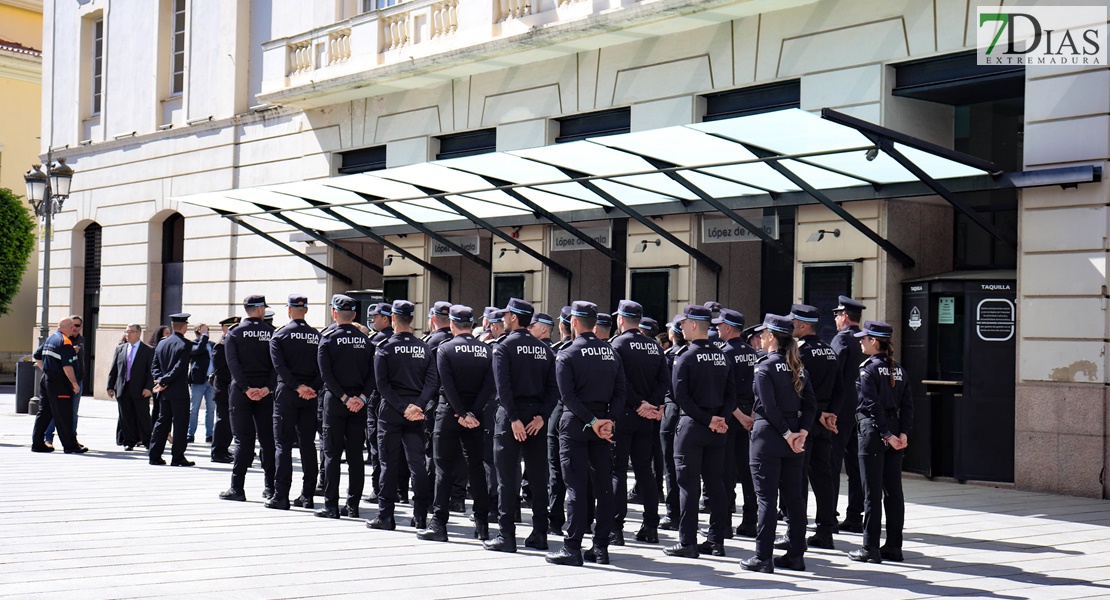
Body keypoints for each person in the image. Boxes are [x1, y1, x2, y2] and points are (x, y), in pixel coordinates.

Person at [546, 301, 625, 566]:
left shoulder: (567, 354)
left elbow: (567, 396)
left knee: (576, 488)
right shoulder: (611, 352)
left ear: (574, 323)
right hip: (603, 425)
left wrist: (592, 421)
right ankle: (601, 547)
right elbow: (620, 391)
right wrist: (607, 420)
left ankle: (572, 547)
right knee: (603, 487)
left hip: (577, 424)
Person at [741, 314, 816, 574]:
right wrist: (801, 433)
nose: (760, 337)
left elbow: (769, 407)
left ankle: (763, 557)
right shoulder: (798, 366)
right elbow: (810, 406)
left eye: (763, 333)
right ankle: (796, 554)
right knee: (794, 499)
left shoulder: (764, 366)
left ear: (771, 336)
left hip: (770, 437)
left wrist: (788, 434)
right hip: (794, 437)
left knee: (766, 499)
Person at [484, 298, 558, 553]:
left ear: (514, 317)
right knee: (538, 479)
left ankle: (507, 536)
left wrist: (514, 418)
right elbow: (553, 389)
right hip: (537, 418)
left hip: (511, 417)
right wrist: (542, 416)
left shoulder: (503, 347)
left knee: (506, 478)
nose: (503, 318)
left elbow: (503, 387)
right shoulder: (544, 349)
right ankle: (540, 534)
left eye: (506, 315)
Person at [663, 305, 735, 559]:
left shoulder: (684, 356)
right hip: (717, 428)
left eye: (683, 323)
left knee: (688, 486)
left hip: (693, 426)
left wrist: (707, 419)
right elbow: (731, 394)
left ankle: (687, 542)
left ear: (694, 325)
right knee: (716, 484)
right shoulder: (722, 355)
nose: (680, 327)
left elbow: (680, 396)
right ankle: (716, 540)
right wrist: (720, 419)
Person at [417, 304, 493, 542]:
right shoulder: (486, 350)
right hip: (475, 416)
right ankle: (482, 524)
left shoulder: (445, 349)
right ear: (471, 325)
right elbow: (489, 387)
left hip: (449, 414)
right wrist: (472, 412)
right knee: (476, 468)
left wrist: (460, 412)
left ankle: (439, 523)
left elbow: (447, 385)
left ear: (451, 324)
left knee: (443, 468)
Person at [367, 299, 436, 530]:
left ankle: (386, 516)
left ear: (393, 318)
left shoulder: (384, 347)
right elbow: (431, 382)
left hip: (392, 410)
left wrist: (402, 407)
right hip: (416, 412)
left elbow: (382, 384)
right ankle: (420, 516)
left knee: (388, 463)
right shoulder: (423, 347)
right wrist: (418, 405)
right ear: (412, 319)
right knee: (417, 464)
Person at [848, 320, 913, 564]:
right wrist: (902, 433)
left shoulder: (868, 369)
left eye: (864, 339)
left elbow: (872, 405)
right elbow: (908, 405)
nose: (861, 342)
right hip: (894, 429)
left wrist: (886, 435)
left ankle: (870, 548)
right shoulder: (898, 369)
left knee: (872, 493)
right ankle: (894, 547)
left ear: (874, 341)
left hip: (874, 432)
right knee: (894, 492)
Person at [609, 300, 667, 546]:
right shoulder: (655, 346)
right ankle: (651, 526)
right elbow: (664, 381)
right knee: (645, 471)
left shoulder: (617, 344)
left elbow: (617, 380)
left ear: (621, 320)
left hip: (624, 415)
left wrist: (637, 404)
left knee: (618, 472)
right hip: (646, 419)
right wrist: (650, 405)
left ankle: (616, 528)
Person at [786, 304, 844, 551]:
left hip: (807, 421)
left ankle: (794, 532)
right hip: (825, 421)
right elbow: (841, 388)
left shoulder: (801, 352)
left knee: (798, 478)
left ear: (802, 325)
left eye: (793, 323)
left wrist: (819, 414)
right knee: (824, 478)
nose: (790, 328)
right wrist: (831, 414)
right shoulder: (829, 350)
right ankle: (825, 530)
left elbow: (799, 389)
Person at [315, 295, 375, 519]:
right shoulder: (365, 341)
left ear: (334, 313)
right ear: (355, 316)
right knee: (355, 457)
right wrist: (361, 398)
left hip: (336, 402)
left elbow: (326, 375)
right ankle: (353, 506)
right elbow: (373, 375)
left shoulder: (328, 338)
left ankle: (331, 506)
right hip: (358, 404)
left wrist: (343, 398)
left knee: (331, 454)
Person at [220, 295, 277, 501]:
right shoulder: (272, 333)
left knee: (242, 440)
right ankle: (271, 487)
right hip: (265, 393)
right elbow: (276, 365)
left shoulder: (234, 333)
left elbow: (232, 364)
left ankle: (238, 487)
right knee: (268, 440)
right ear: (260, 309)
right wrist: (266, 388)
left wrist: (246, 388)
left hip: (241, 393)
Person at [268, 294, 323, 511]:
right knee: (308, 445)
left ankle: (281, 495)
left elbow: (279, 367)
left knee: (282, 444)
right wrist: (312, 387)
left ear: (289, 311)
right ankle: (307, 495)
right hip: (310, 395)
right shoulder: (316, 336)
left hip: (288, 393)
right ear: (306, 310)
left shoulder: (280, 335)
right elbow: (323, 367)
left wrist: (296, 386)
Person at [717, 309, 759, 538]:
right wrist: (749, 415)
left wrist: (739, 416)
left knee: (726, 472)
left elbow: (724, 391)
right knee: (748, 471)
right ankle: (750, 521)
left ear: (728, 328)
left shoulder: (724, 353)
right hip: (750, 415)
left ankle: (724, 525)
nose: (717, 328)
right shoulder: (753, 353)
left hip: (732, 414)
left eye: (720, 325)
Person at [831, 296, 867, 534]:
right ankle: (855, 516)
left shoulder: (841, 340)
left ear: (844, 316)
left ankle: (828, 516)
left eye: (837, 314)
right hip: (861, 411)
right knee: (857, 467)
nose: (835, 318)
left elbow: (833, 377)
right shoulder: (866, 340)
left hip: (841, 412)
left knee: (831, 465)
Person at [150, 313, 203, 466]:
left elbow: (155, 366)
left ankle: (155, 455)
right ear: (185, 327)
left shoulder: (161, 343)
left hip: (164, 391)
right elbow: (179, 368)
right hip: (178, 391)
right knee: (180, 424)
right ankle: (177, 457)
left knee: (162, 422)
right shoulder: (185, 344)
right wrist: (165, 380)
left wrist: (161, 380)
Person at [31, 317, 86, 454]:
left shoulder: (51, 339)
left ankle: (37, 443)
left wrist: (47, 370)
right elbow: (67, 366)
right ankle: (70, 445)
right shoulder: (65, 342)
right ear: (69, 328)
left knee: (44, 412)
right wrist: (74, 383)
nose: (74, 329)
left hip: (47, 380)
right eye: (73, 326)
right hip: (60, 382)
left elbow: (37, 356)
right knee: (64, 414)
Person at [657, 318, 687, 530]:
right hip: (690, 414)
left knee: (671, 465)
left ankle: (673, 513)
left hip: (671, 410)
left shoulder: (670, 356)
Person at [546, 306, 573, 536]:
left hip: (562, 414)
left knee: (557, 469)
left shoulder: (560, 351)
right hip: (594, 417)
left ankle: (555, 520)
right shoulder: (604, 350)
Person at [363, 302, 394, 503]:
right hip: (400, 400)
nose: (372, 320)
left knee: (377, 445)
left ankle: (379, 488)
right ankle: (398, 489)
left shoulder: (377, 341)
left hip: (378, 398)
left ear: (386, 318)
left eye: (375, 317)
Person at [107, 323, 154, 450]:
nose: (127, 334)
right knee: (125, 416)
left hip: (140, 389)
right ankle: (129, 441)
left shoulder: (148, 350)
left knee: (143, 415)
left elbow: (151, 372)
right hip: (123, 388)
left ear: (139, 333)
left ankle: (147, 440)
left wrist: (148, 388)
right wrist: (110, 386)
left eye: (131, 332)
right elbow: (114, 369)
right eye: (126, 331)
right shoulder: (120, 349)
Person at [209, 316, 239, 463]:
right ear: (224, 328)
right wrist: (236, 378)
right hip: (223, 390)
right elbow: (220, 369)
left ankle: (224, 449)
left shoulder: (233, 343)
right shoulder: (221, 345)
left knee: (229, 422)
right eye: (231, 327)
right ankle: (217, 452)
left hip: (231, 389)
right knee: (223, 422)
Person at [187, 323, 215, 444]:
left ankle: (209, 434)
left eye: (207, 332)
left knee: (211, 408)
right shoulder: (192, 344)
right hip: (198, 380)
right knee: (194, 409)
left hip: (211, 380)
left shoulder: (212, 345)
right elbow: (198, 350)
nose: (206, 334)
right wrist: (203, 337)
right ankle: (190, 433)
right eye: (203, 332)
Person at [148, 325, 171, 426]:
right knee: (157, 407)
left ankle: (167, 432)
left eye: (169, 333)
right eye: (166, 333)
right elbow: (153, 367)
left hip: (167, 381)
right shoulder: (154, 349)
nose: (169, 335)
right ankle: (154, 428)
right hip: (157, 381)